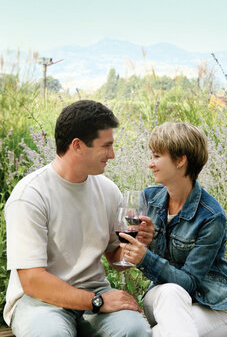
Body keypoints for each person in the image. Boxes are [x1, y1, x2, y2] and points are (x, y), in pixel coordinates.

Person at [4, 100, 152, 337]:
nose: (112, 155)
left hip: (95, 295)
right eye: (106, 146)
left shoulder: (108, 190)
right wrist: (97, 301)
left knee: (134, 330)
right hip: (41, 302)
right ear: (78, 146)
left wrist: (137, 246)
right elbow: (33, 281)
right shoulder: (30, 196)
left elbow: (116, 258)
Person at [121, 122, 227, 337]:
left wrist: (145, 257)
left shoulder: (211, 216)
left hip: (214, 309)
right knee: (170, 292)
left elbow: (190, 283)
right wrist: (144, 244)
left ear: (180, 160)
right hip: (162, 299)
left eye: (157, 156)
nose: (151, 164)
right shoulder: (149, 199)